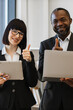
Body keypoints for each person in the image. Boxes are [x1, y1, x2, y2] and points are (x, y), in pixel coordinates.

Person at [38, 7, 73, 110]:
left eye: (63, 19)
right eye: (55, 21)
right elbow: (41, 76)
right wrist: (52, 58)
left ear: (70, 20)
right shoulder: (45, 45)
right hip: (51, 101)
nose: (59, 24)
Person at [0, 18, 38, 110]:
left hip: (23, 103)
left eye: (21, 33)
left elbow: (33, 83)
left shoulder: (27, 55)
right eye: (14, 31)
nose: (17, 36)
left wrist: (29, 62)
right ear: (7, 32)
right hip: (2, 102)